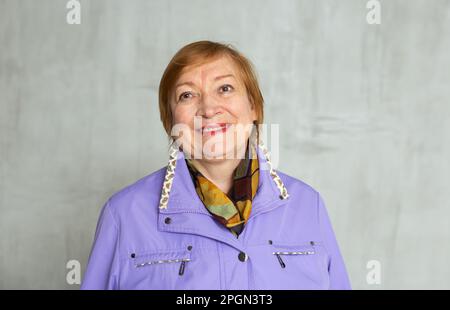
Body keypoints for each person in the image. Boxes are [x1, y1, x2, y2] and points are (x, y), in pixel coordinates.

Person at [81, 40, 351, 290]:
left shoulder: (308, 206)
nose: (209, 109)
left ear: (254, 106)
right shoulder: (123, 215)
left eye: (225, 88)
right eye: (187, 95)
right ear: (169, 121)